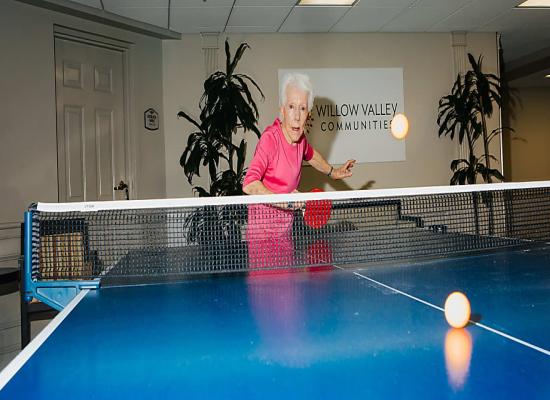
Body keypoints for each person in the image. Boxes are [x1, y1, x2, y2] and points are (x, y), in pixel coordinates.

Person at [243, 73, 355, 270]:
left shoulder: (300, 139)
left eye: (302, 108)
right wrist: (285, 200)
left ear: (308, 114)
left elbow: (311, 155)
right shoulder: (270, 140)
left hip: (285, 232)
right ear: (282, 111)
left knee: (290, 294)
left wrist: (333, 173)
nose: (296, 115)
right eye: (291, 107)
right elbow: (249, 184)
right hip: (263, 239)